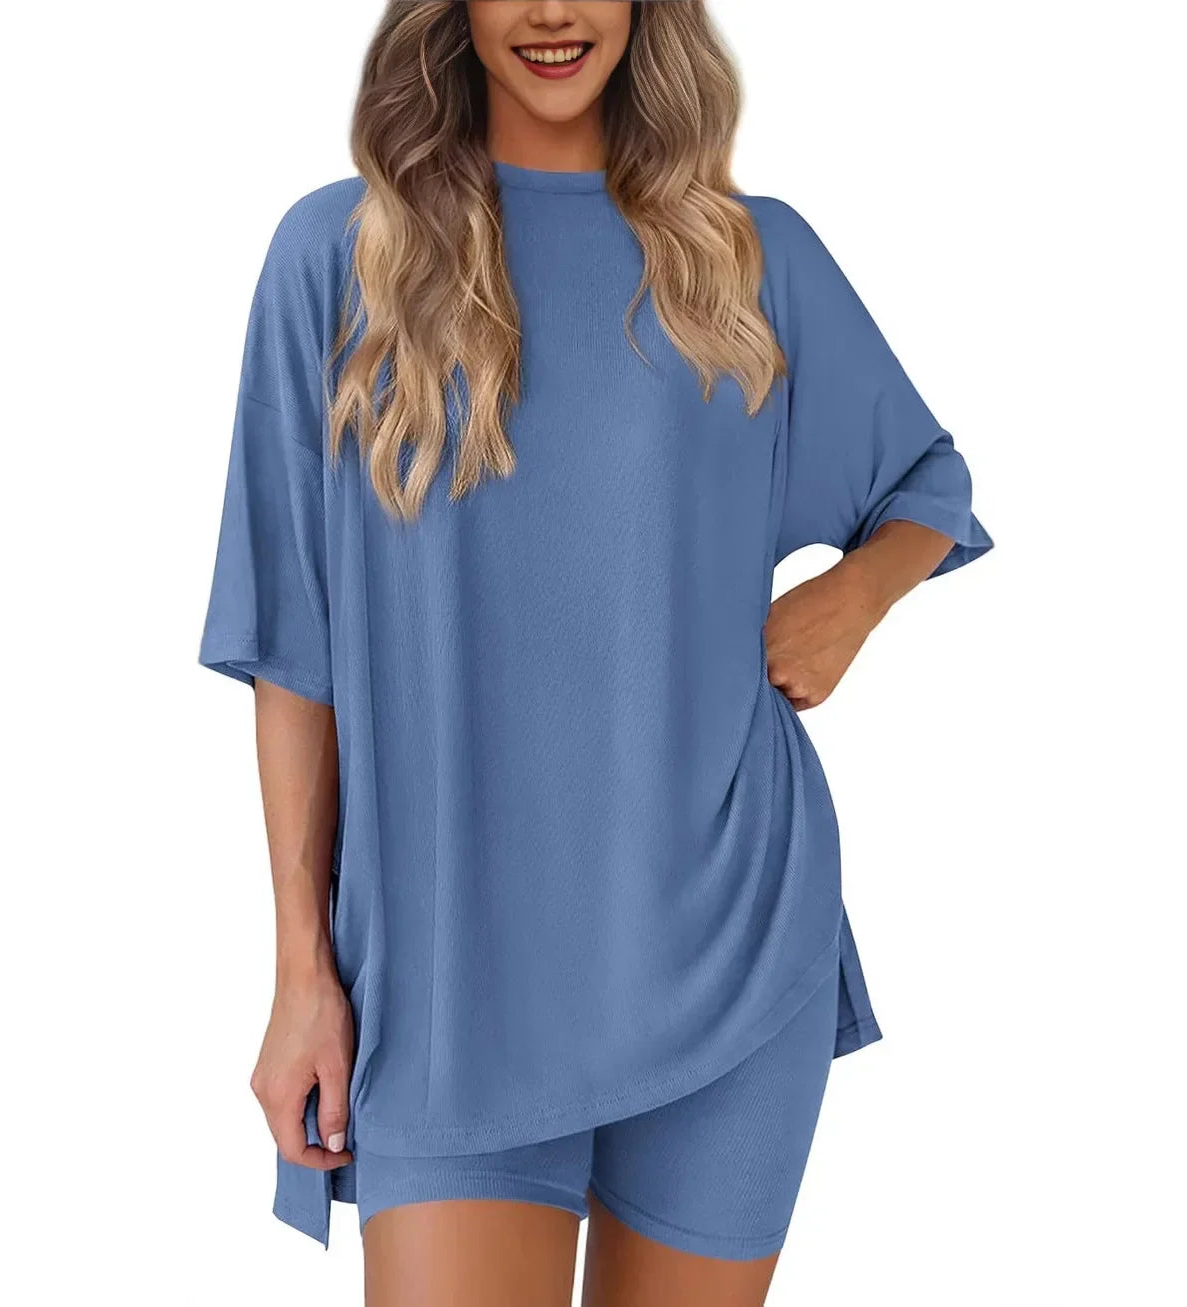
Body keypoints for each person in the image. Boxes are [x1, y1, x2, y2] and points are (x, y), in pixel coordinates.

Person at [196, 2, 994, 1303]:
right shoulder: (341, 255)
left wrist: (854, 597)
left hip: (729, 942)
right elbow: (296, 648)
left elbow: (927, 482)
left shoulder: (745, 257)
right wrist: (302, 973)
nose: (553, 11)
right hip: (446, 981)